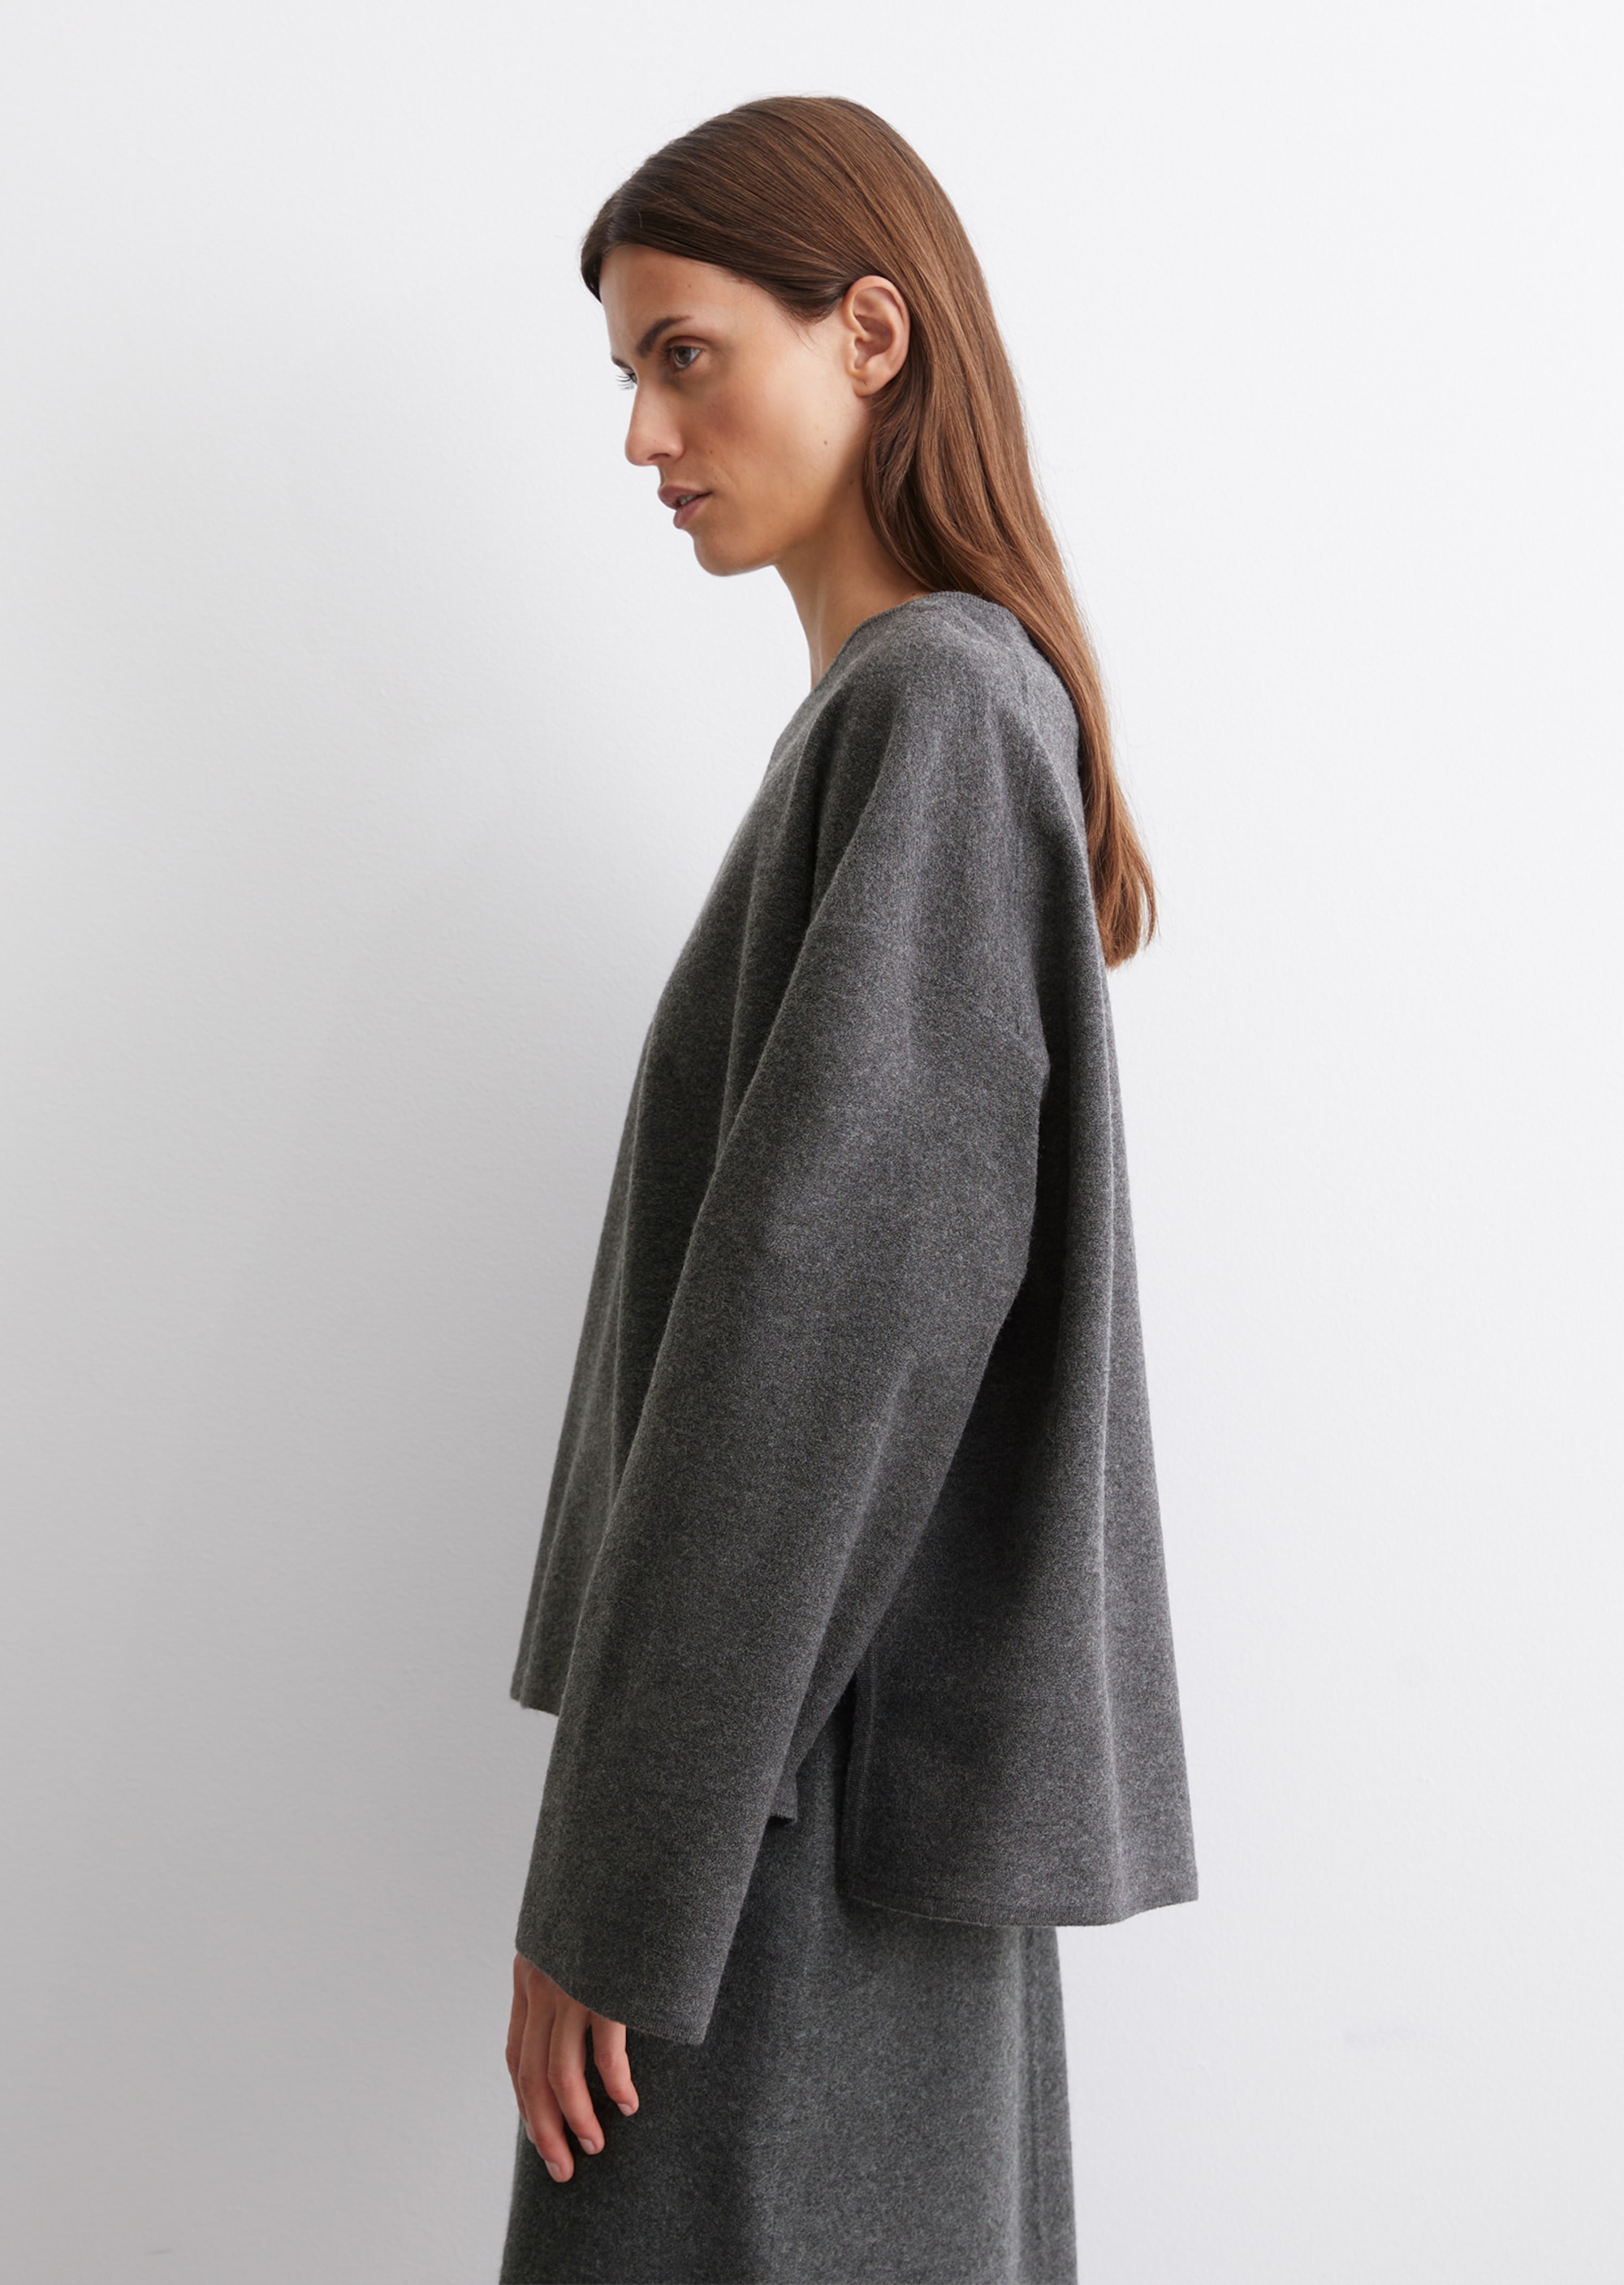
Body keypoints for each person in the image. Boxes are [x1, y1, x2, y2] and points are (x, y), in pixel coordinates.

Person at [499, 95, 1197, 2285]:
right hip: (810, 1809)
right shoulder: (903, 722)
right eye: (630, 370)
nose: (644, 432)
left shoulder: (938, 714)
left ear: (870, 336)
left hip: (785, 1834)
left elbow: (819, 1359)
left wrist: (622, 1883)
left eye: (684, 354)